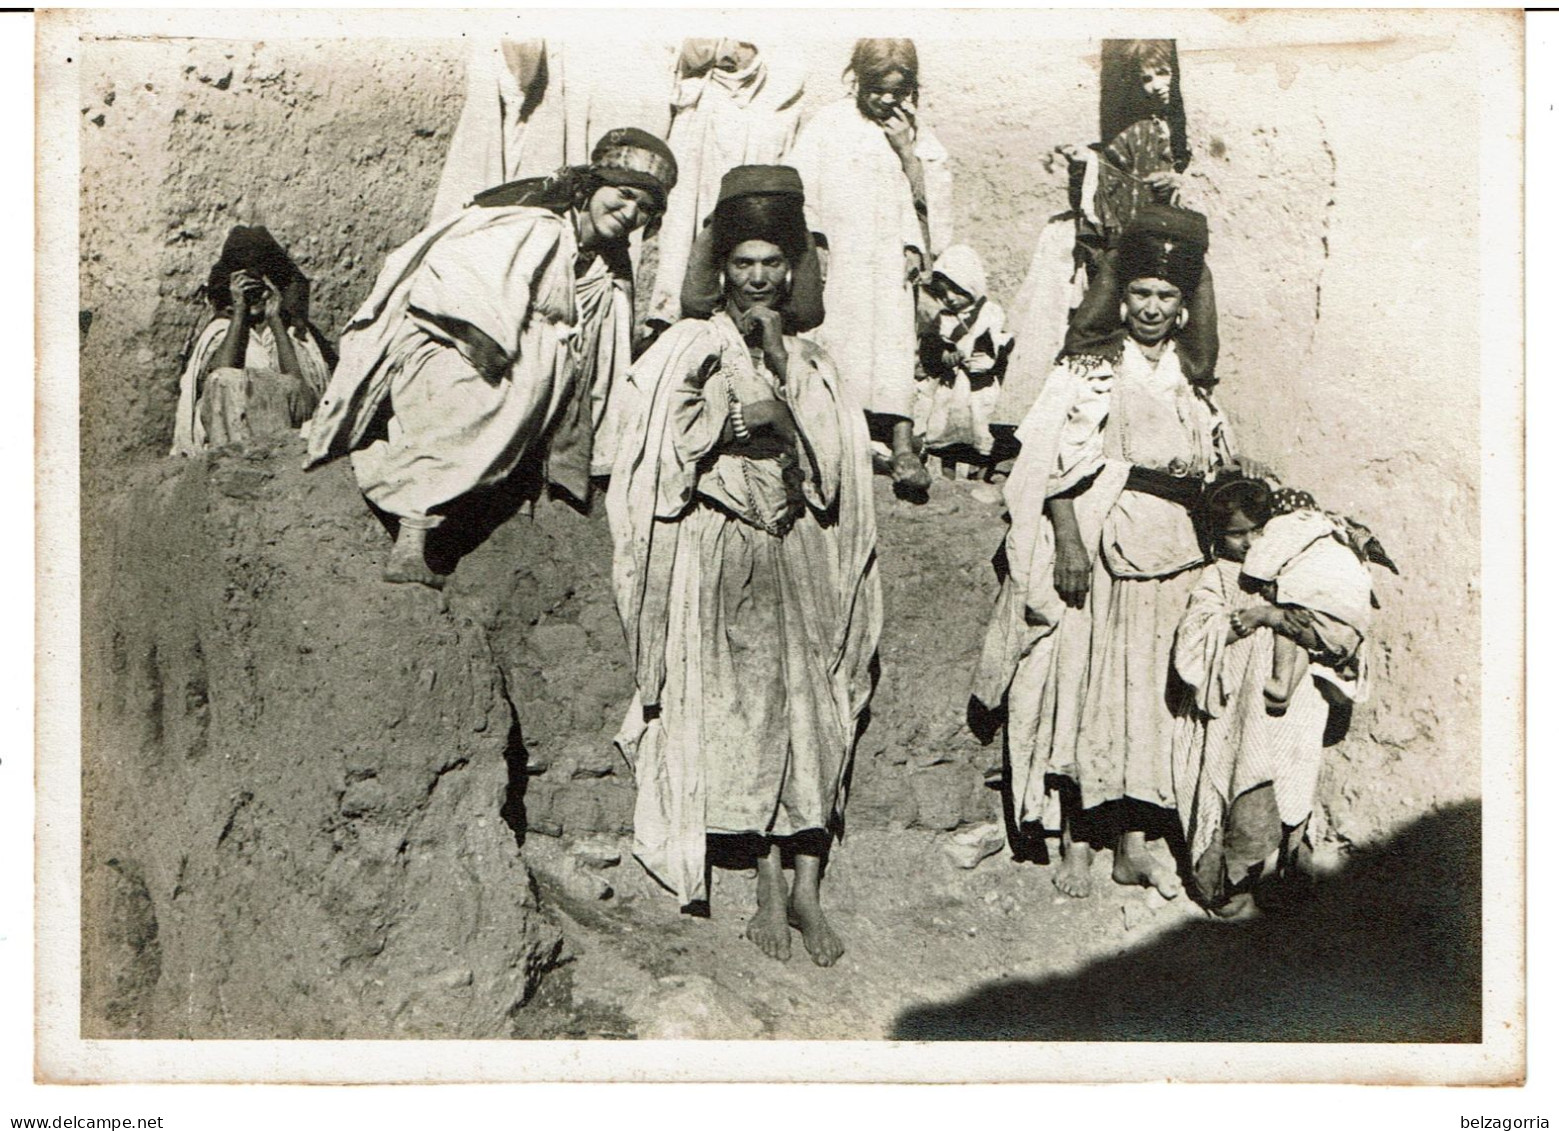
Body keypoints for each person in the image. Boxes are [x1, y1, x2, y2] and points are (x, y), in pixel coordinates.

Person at [608, 165, 881, 967]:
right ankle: (764, 880)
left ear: (792, 269)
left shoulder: (813, 358)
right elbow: (657, 450)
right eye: (742, 263)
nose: (757, 277)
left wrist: (783, 383)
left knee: (812, 707)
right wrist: (737, 416)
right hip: (723, 549)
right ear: (720, 268)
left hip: (796, 551)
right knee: (748, 711)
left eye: (771, 263)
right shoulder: (690, 346)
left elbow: (832, 469)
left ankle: (807, 884)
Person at [973, 205, 1253, 901]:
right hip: (1103, 550)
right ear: (1119, 297)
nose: (1151, 309)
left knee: (1149, 700)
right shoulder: (1089, 369)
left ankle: (1129, 843)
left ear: (1184, 307)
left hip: (1174, 554)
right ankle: (1074, 835)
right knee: (1088, 688)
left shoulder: (1190, 381)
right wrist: (1066, 538)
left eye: (1166, 297)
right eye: (1140, 295)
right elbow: (1046, 463)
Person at [306, 128, 677, 588]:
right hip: (460, 349)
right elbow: (455, 282)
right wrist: (501, 354)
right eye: (622, 196)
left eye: (645, 208)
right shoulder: (534, 226)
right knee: (480, 398)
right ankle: (410, 538)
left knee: (528, 392)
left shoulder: (607, 265)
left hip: (527, 373)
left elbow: (599, 347)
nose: (630, 213)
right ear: (590, 187)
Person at [1172, 476, 1387, 917]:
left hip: (1295, 708)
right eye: (1236, 533)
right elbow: (1192, 644)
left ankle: (1288, 876)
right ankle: (1228, 885)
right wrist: (1240, 625)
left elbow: (1329, 626)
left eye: (1257, 530)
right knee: (1246, 789)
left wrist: (1285, 617)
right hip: (1238, 713)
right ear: (1218, 536)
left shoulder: (1294, 566)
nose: (1249, 543)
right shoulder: (1218, 577)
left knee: (1293, 780)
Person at [790, 38, 953, 497]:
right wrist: (814, 241)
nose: (886, 100)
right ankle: (843, 433)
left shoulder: (913, 128)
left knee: (894, 341)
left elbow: (931, 196)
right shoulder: (829, 123)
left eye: (897, 91)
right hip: (841, 252)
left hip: (890, 256)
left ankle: (902, 443)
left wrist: (905, 150)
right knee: (842, 336)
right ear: (858, 79)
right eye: (877, 89)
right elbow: (802, 187)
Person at [646, 39, 805, 333]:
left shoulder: (780, 88)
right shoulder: (695, 93)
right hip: (700, 143)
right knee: (684, 243)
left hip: (754, 146)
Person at [171, 226, 332, 456]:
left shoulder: (292, 333)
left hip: (284, 444)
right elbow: (219, 382)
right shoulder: (220, 331)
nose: (253, 297)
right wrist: (239, 311)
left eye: (258, 289)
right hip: (231, 441)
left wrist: (275, 321)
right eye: (247, 289)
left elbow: (303, 397)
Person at [911, 244, 1014, 464]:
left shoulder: (991, 313)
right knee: (947, 429)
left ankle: (981, 471)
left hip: (980, 385)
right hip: (950, 385)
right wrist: (943, 356)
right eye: (943, 292)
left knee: (980, 428)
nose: (950, 298)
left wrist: (983, 355)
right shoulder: (942, 317)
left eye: (957, 290)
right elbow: (931, 347)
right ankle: (949, 473)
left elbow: (999, 344)